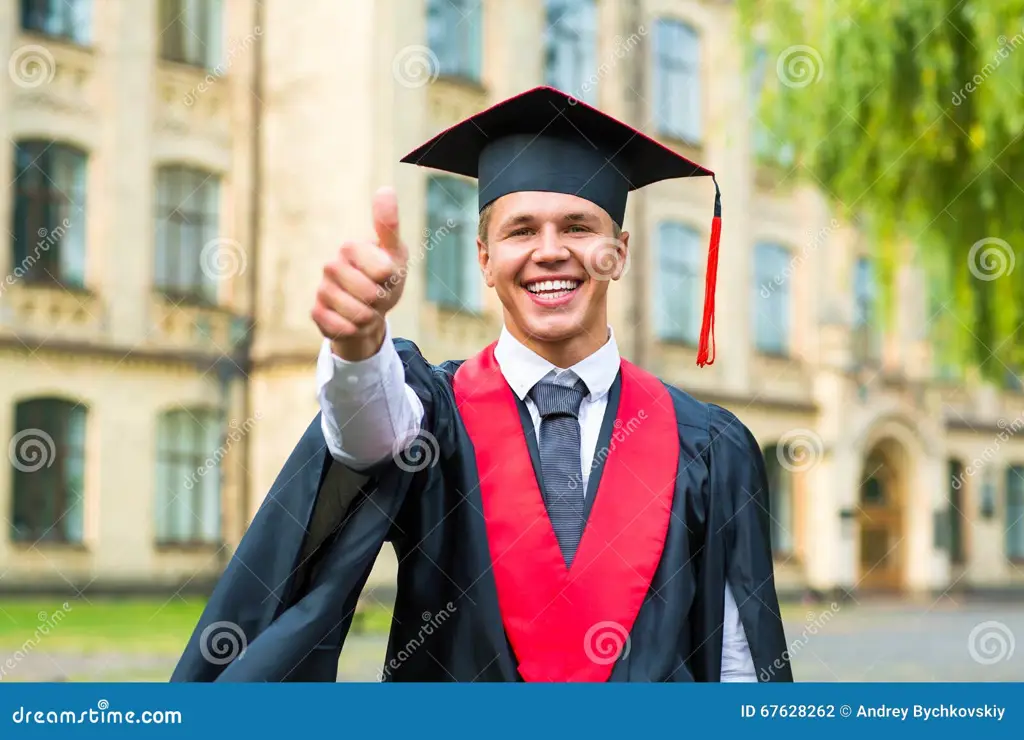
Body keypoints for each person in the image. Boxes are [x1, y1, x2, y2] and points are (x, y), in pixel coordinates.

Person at [171, 86, 793, 683]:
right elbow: (368, 436)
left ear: (618, 252)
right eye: (521, 231)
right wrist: (359, 347)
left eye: (577, 227)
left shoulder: (706, 444)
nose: (550, 252)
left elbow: (737, 659)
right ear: (484, 260)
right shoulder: (438, 416)